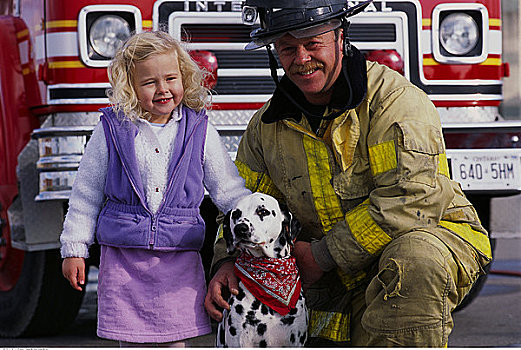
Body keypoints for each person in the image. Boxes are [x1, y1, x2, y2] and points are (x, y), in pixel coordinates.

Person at [204, 0, 492, 347]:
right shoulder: (266, 128)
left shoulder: (395, 103)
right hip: (328, 273)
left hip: (426, 239)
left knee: (413, 263)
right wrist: (226, 260)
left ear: (341, 37)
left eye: (313, 44)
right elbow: (240, 203)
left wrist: (323, 256)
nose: (301, 59)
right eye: (287, 48)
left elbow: (410, 201)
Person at [60, 31, 250, 347]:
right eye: (150, 82)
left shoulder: (200, 130)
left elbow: (228, 189)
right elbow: (86, 193)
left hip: (179, 259)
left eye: (171, 78)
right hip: (123, 260)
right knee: (130, 342)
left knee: (176, 342)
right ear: (129, 87)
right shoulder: (111, 130)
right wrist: (74, 249)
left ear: (185, 78)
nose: (163, 89)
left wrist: (256, 220)